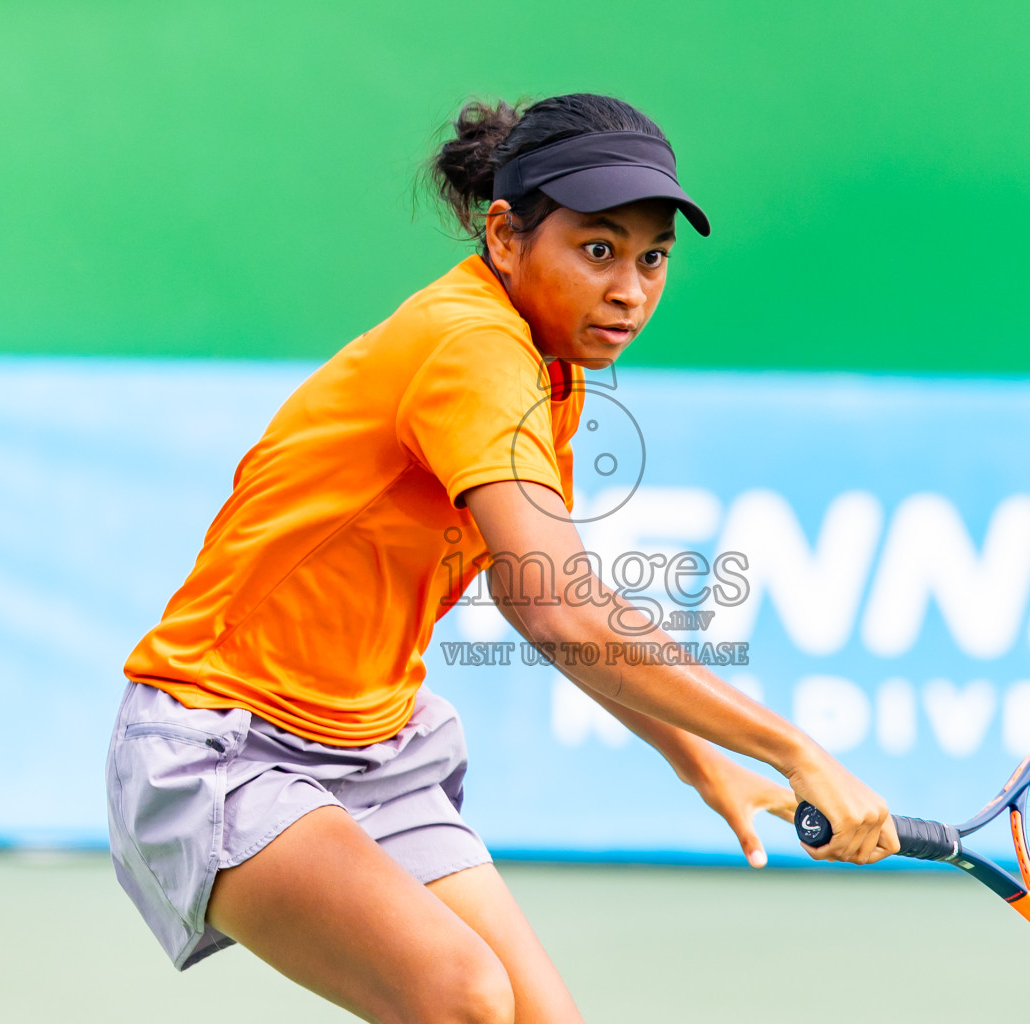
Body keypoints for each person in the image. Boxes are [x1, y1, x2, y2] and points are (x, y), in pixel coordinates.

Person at [106, 92, 897, 1024]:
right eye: (598, 250)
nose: (630, 289)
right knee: (464, 994)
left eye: (653, 259)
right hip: (223, 743)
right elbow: (562, 609)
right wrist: (793, 749)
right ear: (506, 235)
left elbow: (550, 606)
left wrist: (695, 758)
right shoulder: (473, 348)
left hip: (376, 747)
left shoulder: (548, 371)